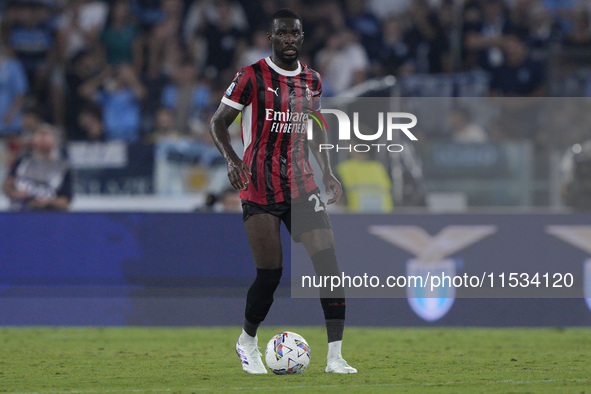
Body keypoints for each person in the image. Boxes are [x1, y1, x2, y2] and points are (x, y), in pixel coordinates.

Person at [209, 8, 357, 374]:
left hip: (301, 183)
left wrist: (327, 171)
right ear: (271, 38)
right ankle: (247, 341)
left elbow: (316, 124)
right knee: (270, 274)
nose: (289, 39)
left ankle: (335, 356)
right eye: (283, 33)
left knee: (329, 265)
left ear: (302, 38)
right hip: (258, 185)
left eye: (295, 34)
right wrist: (231, 159)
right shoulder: (251, 76)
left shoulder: (312, 79)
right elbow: (218, 122)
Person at [2, 123, 73, 212]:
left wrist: (48, 202)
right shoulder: (23, 160)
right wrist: (15, 194)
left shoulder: (63, 166)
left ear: (55, 140)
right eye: (39, 135)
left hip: (50, 214)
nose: (42, 138)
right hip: (20, 211)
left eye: (46, 135)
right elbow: (7, 184)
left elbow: (66, 200)